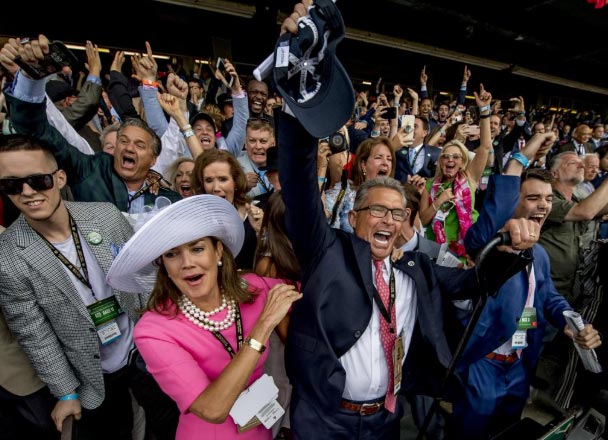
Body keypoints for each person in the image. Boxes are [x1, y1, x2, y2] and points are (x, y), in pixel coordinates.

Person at [0, 134, 178, 439]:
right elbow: (35, 335)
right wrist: (66, 392)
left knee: (166, 427)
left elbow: (144, 278)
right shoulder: (8, 256)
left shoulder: (104, 216)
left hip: (145, 353)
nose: (28, 193)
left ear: (59, 178)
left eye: (38, 180)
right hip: (93, 377)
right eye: (12, 185)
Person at [105, 194, 302, 440]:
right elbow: (212, 409)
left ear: (218, 251)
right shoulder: (153, 330)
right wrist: (262, 329)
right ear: (162, 264)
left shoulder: (253, 288)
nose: (187, 263)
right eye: (172, 254)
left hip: (261, 428)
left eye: (197, 248)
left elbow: (314, 292)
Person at [448, 134, 602, 440]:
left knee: (506, 432)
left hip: (519, 365)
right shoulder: (488, 242)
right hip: (483, 364)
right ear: (513, 203)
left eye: (547, 199)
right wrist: (524, 153)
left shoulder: (540, 254)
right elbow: (497, 205)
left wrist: (572, 323)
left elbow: (548, 298)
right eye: (533, 198)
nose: (543, 206)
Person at [191, 149, 264, 270]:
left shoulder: (256, 211)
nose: (216, 188)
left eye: (223, 179)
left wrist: (261, 232)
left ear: (235, 181)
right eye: (209, 180)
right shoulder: (195, 220)